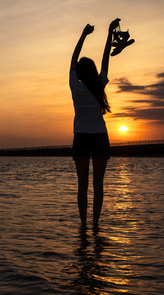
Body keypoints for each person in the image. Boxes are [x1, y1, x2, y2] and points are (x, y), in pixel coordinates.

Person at [69, 18, 120, 229]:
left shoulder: (75, 86)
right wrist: (109, 33)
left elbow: (73, 59)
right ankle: (96, 225)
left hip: (81, 136)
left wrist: (83, 34)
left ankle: (83, 226)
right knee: (98, 185)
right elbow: (106, 58)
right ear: (93, 71)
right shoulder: (99, 85)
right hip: (99, 136)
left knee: (83, 185)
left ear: (79, 73)